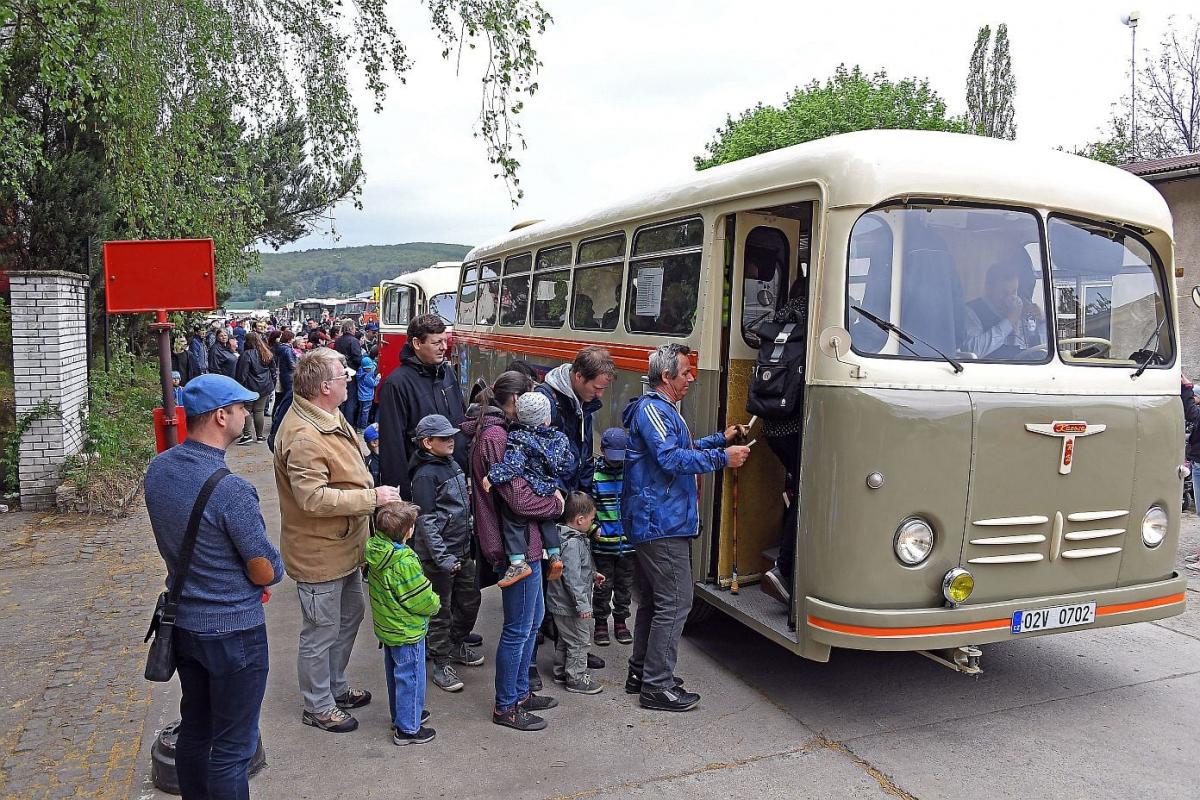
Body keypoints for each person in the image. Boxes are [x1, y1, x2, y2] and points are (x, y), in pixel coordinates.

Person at [144, 373, 284, 799]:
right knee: (232, 749)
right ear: (221, 416)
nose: (246, 413)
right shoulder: (233, 491)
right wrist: (267, 571)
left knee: (196, 729)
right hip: (233, 631)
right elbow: (264, 569)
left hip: (184, 623)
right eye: (241, 407)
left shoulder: (159, 469)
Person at [273, 348, 402, 733]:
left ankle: (335, 688)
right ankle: (318, 706)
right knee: (321, 631)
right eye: (343, 375)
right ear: (325, 386)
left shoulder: (326, 414)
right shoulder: (303, 434)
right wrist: (371, 499)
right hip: (320, 552)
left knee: (348, 618)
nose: (351, 379)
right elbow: (311, 499)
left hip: (343, 545)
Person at [622, 343, 750, 712]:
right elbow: (670, 457)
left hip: (659, 519)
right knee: (677, 601)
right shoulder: (654, 410)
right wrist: (723, 458)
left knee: (655, 600)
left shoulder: (660, 410)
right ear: (667, 377)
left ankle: (642, 673)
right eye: (686, 372)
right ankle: (657, 686)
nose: (692, 377)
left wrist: (719, 440)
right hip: (660, 521)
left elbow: (683, 447)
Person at [460, 371, 565, 731]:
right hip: (515, 547)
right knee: (519, 628)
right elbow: (518, 499)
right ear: (515, 402)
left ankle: (520, 692)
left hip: (528, 544)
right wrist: (554, 503)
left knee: (531, 622)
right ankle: (506, 705)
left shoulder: (502, 433)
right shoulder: (495, 437)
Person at [409, 413, 483, 693]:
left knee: (469, 601)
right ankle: (440, 662)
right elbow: (426, 522)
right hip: (440, 559)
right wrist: (443, 558)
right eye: (444, 438)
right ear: (428, 442)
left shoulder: (450, 463)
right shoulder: (425, 475)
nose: (451, 441)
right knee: (440, 611)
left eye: (451, 436)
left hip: (461, 551)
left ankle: (455, 644)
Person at [364, 500, 440, 746]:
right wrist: (435, 603)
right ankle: (408, 729)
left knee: (396, 673)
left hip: (388, 627)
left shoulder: (376, 551)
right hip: (407, 630)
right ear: (408, 531)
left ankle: (404, 715)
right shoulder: (404, 562)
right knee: (411, 675)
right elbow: (419, 598)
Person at [484, 392, 573, 586]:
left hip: (530, 487)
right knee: (546, 519)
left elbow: (513, 466)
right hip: (549, 488)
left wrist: (492, 476)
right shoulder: (559, 438)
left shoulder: (518, 437)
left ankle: (517, 562)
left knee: (512, 518)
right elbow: (568, 463)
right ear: (547, 418)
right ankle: (555, 555)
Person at [377, 313, 468, 498]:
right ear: (417, 344)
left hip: (455, 479)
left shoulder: (447, 373)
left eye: (444, 341)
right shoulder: (396, 384)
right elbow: (393, 448)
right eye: (436, 343)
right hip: (424, 487)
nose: (444, 347)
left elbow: (461, 420)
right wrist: (400, 499)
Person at [757, 275, 807, 607]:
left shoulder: (779, 318)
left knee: (797, 485)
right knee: (807, 493)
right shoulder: (813, 316)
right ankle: (784, 567)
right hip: (794, 423)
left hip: (772, 422)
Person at [547, 491, 605, 695]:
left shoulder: (568, 538)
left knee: (566, 639)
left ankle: (561, 672)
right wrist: (583, 605)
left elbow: (577, 570)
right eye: (591, 519)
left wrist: (592, 574)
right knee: (580, 641)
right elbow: (572, 578)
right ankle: (577, 678)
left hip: (562, 602)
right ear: (580, 519)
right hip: (570, 604)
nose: (592, 523)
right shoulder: (572, 543)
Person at [535, 346, 614, 494]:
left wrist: (584, 498)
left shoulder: (586, 402)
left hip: (571, 498)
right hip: (553, 499)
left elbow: (586, 456)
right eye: (596, 388)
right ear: (579, 376)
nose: (600, 394)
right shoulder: (545, 401)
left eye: (603, 389)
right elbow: (535, 460)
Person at [589, 428, 634, 646]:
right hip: (603, 545)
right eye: (612, 457)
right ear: (602, 451)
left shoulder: (631, 474)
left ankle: (621, 622)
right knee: (602, 586)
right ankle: (600, 623)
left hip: (628, 545)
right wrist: (593, 529)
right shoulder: (595, 476)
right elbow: (587, 509)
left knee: (625, 587)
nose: (616, 462)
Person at [961, 258, 1031, 359]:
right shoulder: (971, 311)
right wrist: (1010, 321)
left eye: (1014, 292)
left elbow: (1033, 348)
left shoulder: (1019, 309)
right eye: (1004, 292)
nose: (1010, 298)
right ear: (989, 288)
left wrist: (1039, 323)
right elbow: (973, 351)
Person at [234, 331, 276, 445]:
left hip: (250, 387)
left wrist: (239, 387)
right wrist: (272, 383)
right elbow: (273, 371)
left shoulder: (246, 354)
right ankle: (260, 436)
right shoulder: (267, 353)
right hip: (265, 386)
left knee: (246, 410)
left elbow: (242, 373)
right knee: (259, 411)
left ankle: (247, 435)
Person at [334, 320, 364, 424]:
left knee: (341, 399)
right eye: (354, 327)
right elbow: (358, 358)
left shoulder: (337, 341)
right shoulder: (354, 341)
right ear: (351, 328)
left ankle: (340, 422)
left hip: (339, 372)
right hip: (351, 373)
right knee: (351, 400)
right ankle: (349, 425)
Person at [355, 352, 377, 433]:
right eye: (369, 368)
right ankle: (363, 428)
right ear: (366, 368)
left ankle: (358, 426)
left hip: (360, 396)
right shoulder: (367, 375)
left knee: (361, 411)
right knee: (365, 412)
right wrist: (378, 378)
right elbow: (373, 384)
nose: (371, 369)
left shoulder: (360, 371)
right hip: (367, 396)